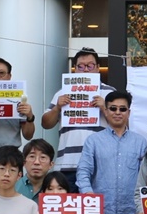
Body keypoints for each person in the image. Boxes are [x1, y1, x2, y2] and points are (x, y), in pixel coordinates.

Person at [42, 48, 113, 181]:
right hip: (67, 163)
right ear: (74, 68)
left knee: (97, 201)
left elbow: (123, 125)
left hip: (100, 164)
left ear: (98, 68)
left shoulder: (110, 93)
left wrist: (104, 108)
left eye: (90, 66)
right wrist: (57, 107)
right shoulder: (62, 92)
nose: (85, 70)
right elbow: (45, 123)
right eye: (81, 66)